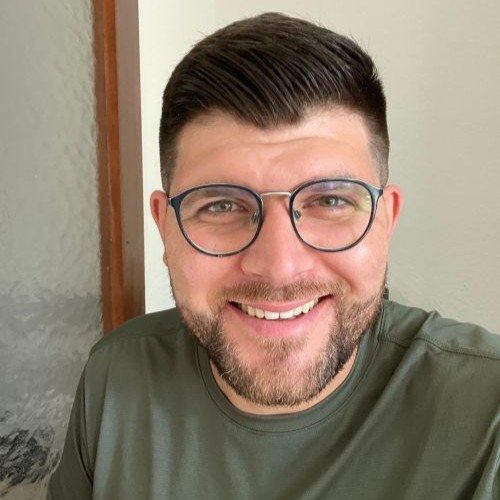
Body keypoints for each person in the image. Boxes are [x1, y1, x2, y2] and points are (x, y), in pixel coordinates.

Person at [47, 12, 500, 500]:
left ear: (385, 221)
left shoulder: (487, 412)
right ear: (165, 227)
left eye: (331, 201)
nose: (279, 267)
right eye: (222, 206)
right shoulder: (115, 378)